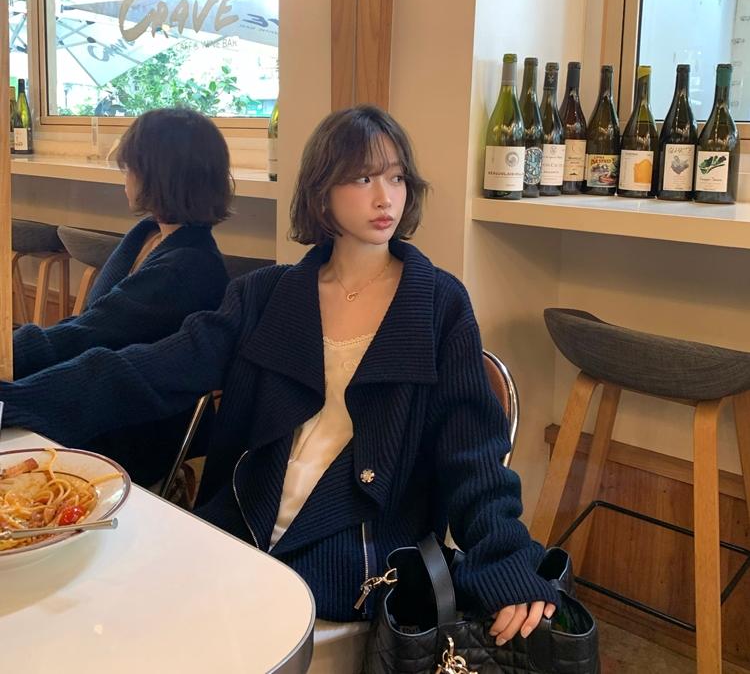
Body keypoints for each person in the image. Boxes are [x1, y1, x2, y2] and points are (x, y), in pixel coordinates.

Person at [1, 105, 557, 672]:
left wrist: (506, 556)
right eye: (362, 178)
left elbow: (473, 451)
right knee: (95, 611)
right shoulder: (266, 294)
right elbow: (151, 370)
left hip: (357, 555)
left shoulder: (438, 303)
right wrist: (12, 403)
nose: (385, 197)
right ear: (322, 191)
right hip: (242, 525)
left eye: (396, 178)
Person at [12, 107, 232, 487]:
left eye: (130, 168)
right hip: (102, 395)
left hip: (135, 424)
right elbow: (90, 328)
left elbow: (88, 335)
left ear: (158, 176)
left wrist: (11, 365)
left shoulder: (187, 268)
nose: (124, 177)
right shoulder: (149, 234)